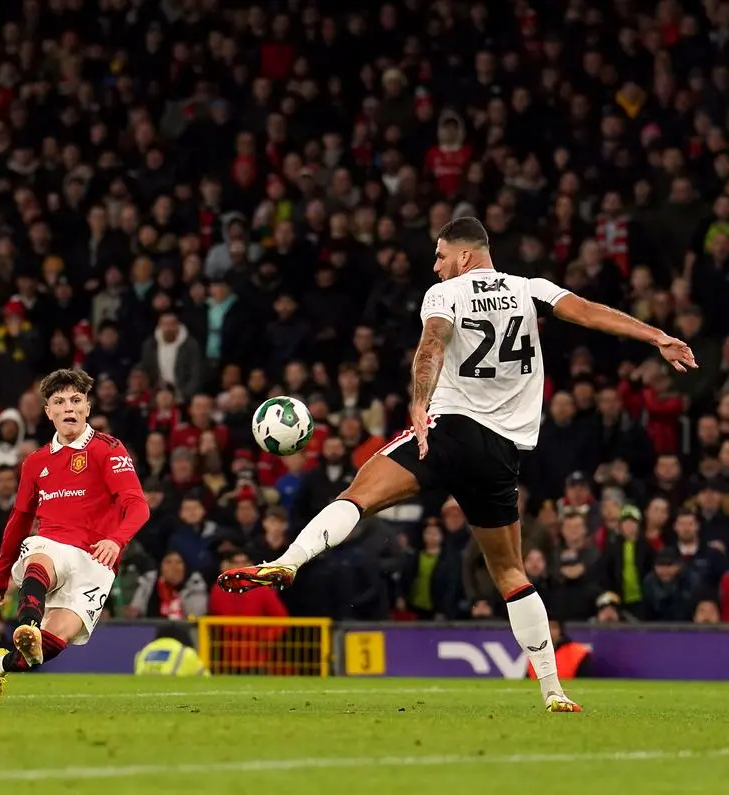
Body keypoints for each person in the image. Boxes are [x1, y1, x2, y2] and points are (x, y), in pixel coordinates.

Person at [218, 218, 698, 713]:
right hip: (500, 453)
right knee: (511, 572)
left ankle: (288, 561)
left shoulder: (443, 294)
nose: (436, 264)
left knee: (357, 496)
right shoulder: (531, 289)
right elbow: (590, 313)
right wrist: (656, 335)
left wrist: (418, 403)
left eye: (441, 255)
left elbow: (432, 344)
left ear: (465, 256)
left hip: (446, 432)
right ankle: (553, 690)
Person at [0, 368, 149, 705]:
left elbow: (137, 505)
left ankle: (3, 663)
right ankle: (27, 624)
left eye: (75, 400)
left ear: (87, 407)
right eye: (59, 401)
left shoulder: (108, 449)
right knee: (41, 558)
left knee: (47, 648)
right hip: (52, 544)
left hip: (97, 560)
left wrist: (117, 540)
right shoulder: (35, 462)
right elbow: (18, 522)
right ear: (48, 412)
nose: (68, 407)